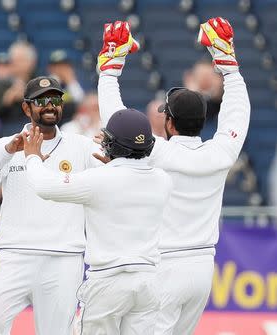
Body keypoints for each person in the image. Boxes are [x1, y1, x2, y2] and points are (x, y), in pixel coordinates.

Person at [96, 18, 250, 334]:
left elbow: (116, 119)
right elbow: (238, 114)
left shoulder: (158, 154)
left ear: (168, 122)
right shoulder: (219, 154)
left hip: (164, 266)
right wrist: (229, 68)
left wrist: (110, 70)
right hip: (202, 269)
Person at [0, 76, 101, 335]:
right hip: (13, 254)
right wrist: (9, 149)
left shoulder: (82, 146)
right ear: (26, 108)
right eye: (42, 101)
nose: (50, 106)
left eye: (55, 100)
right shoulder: (7, 145)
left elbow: (109, 181)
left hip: (63, 257)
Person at [23, 111, 172, 334]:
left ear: (111, 144)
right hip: (148, 281)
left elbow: (44, 187)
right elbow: (129, 176)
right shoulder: (163, 179)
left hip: (108, 281)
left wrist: (32, 157)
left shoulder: (99, 180)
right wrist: (113, 163)